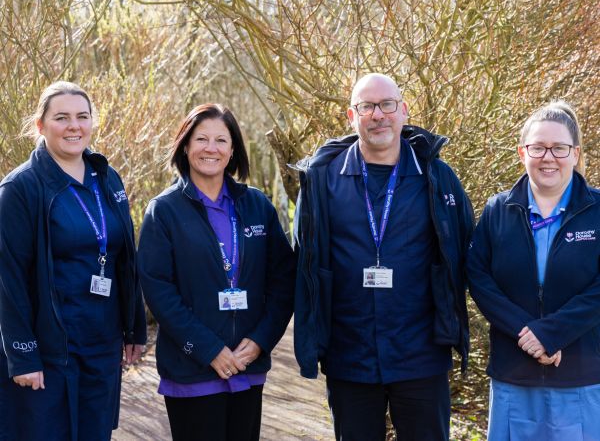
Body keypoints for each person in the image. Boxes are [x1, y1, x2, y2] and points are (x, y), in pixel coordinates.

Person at [293, 73, 474, 440]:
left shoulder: (436, 176)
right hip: (351, 355)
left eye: (387, 105)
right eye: (367, 107)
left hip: (421, 354)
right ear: (351, 116)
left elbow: (466, 246)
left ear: (403, 111)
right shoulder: (323, 180)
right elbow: (304, 259)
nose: (378, 115)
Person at [137, 103, 295, 441]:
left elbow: (284, 280)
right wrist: (209, 350)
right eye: (202, 139)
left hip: (246, 365)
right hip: (192, 370)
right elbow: (158, 290)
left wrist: (261, 341)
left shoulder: (257, 205)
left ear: (233, 148)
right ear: (185, 146)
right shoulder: (163, 211)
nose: (212, 148)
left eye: (221, 140)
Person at [0, 81, 146, 441]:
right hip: (48, 350)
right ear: (40, 125)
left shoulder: (107, 178)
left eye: (82, 117)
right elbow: (8, 278)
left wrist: (134, 328)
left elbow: (125, 259)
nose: (73, 126)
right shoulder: (20, 188)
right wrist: (23, 355)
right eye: (61, 117)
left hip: (102, 344)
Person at [467, 101, 600, 440]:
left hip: (581, 378)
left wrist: (552, 333)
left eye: (559, 148)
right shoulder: (498, 210)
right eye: (538, 147)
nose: (548, 157)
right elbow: (478, 276)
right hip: (514, 376)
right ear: (522, 152)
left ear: (575, 153)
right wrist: (526, 333)